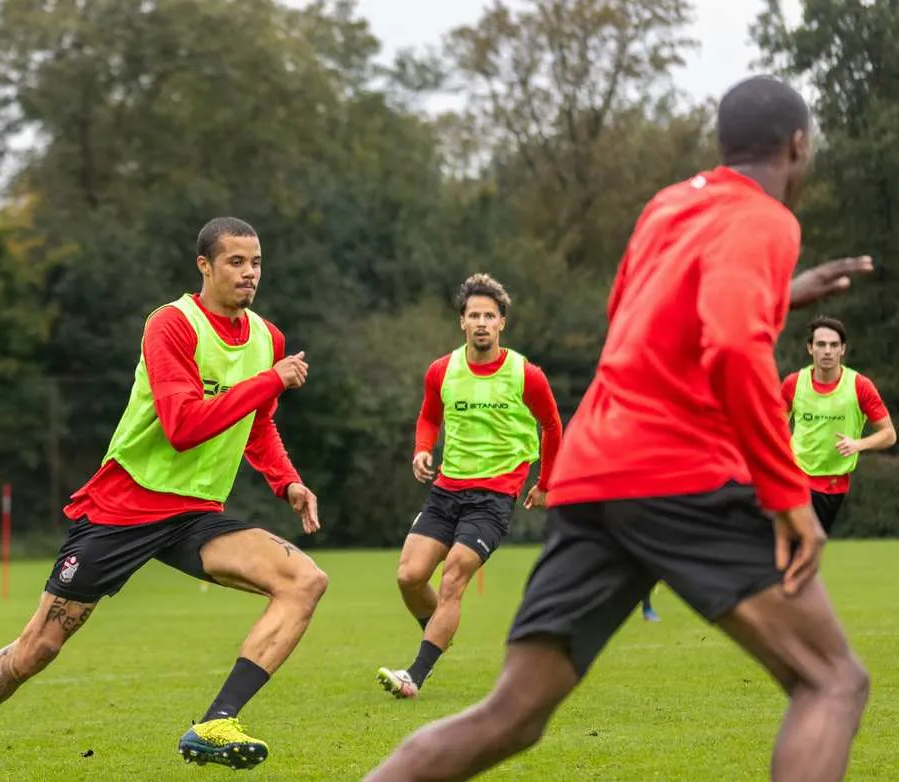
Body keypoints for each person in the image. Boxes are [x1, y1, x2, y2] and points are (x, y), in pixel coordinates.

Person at [366, 75, 873, 782]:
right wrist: (789, 498)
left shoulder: (669, 204)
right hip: (681, 477)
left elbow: (639, 318)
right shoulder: (768, 220)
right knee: (833, 682)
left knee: (511, 715)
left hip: (594, 479)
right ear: (798, 146)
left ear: (724, 146)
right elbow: (731, 347)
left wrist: (774, 295)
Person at [0, 217, 327, 779]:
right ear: (205, 266)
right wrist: (272, 380)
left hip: (196, 513)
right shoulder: (171, 324)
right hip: (126, 508)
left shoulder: (268, 338)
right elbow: (181, 425)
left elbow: (257, 423)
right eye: (236, 262)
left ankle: (216, 722)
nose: (249, 274)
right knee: (38, 648)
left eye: (257, 262)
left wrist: (286, 480)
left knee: (305, 580)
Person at [376, 274, 562, 699]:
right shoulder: (442, 370)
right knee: (408, 576)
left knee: (453, 580)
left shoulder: (526, 375)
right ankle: (437, 630)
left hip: (494, 496)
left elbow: (552, 425)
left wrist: (546, 481)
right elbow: (428, 417)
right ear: (462, 322)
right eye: (473, 315)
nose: (481, 322)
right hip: (446, 490)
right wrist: (422, 450)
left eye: (489, 316)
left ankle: (415, 675)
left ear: (502, 325)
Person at [783, 315, 894, 533]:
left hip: (830, 486)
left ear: (842, 350)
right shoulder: (793, 384)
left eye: (834, 345)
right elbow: (773, 428)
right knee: (782, 547)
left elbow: (889, 434)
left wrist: (858, 444)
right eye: (821, 344)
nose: (827, 351)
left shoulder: (860, 386)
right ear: (810, 348)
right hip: (794, 477)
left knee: (801, 551)